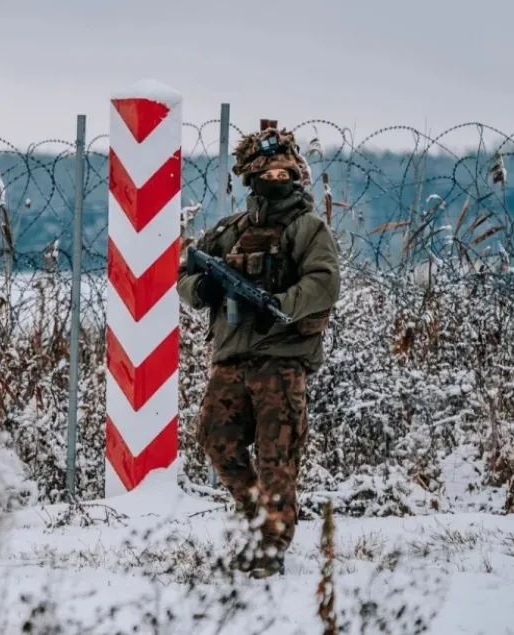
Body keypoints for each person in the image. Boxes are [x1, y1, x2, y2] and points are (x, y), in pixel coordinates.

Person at [176, 127, 340, 579]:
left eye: (283, 170)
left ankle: (271, 545)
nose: (275, 176)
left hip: (281, 361)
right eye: (267, 171)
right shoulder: (230, 230)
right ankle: (254, 518)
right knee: (215, 437)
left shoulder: (308, 228)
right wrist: (203, 288)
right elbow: (185, 274)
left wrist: (280, 308)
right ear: (251, 176)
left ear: (296, 174)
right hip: (232, 358)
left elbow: (324, 282)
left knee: (276, 453)